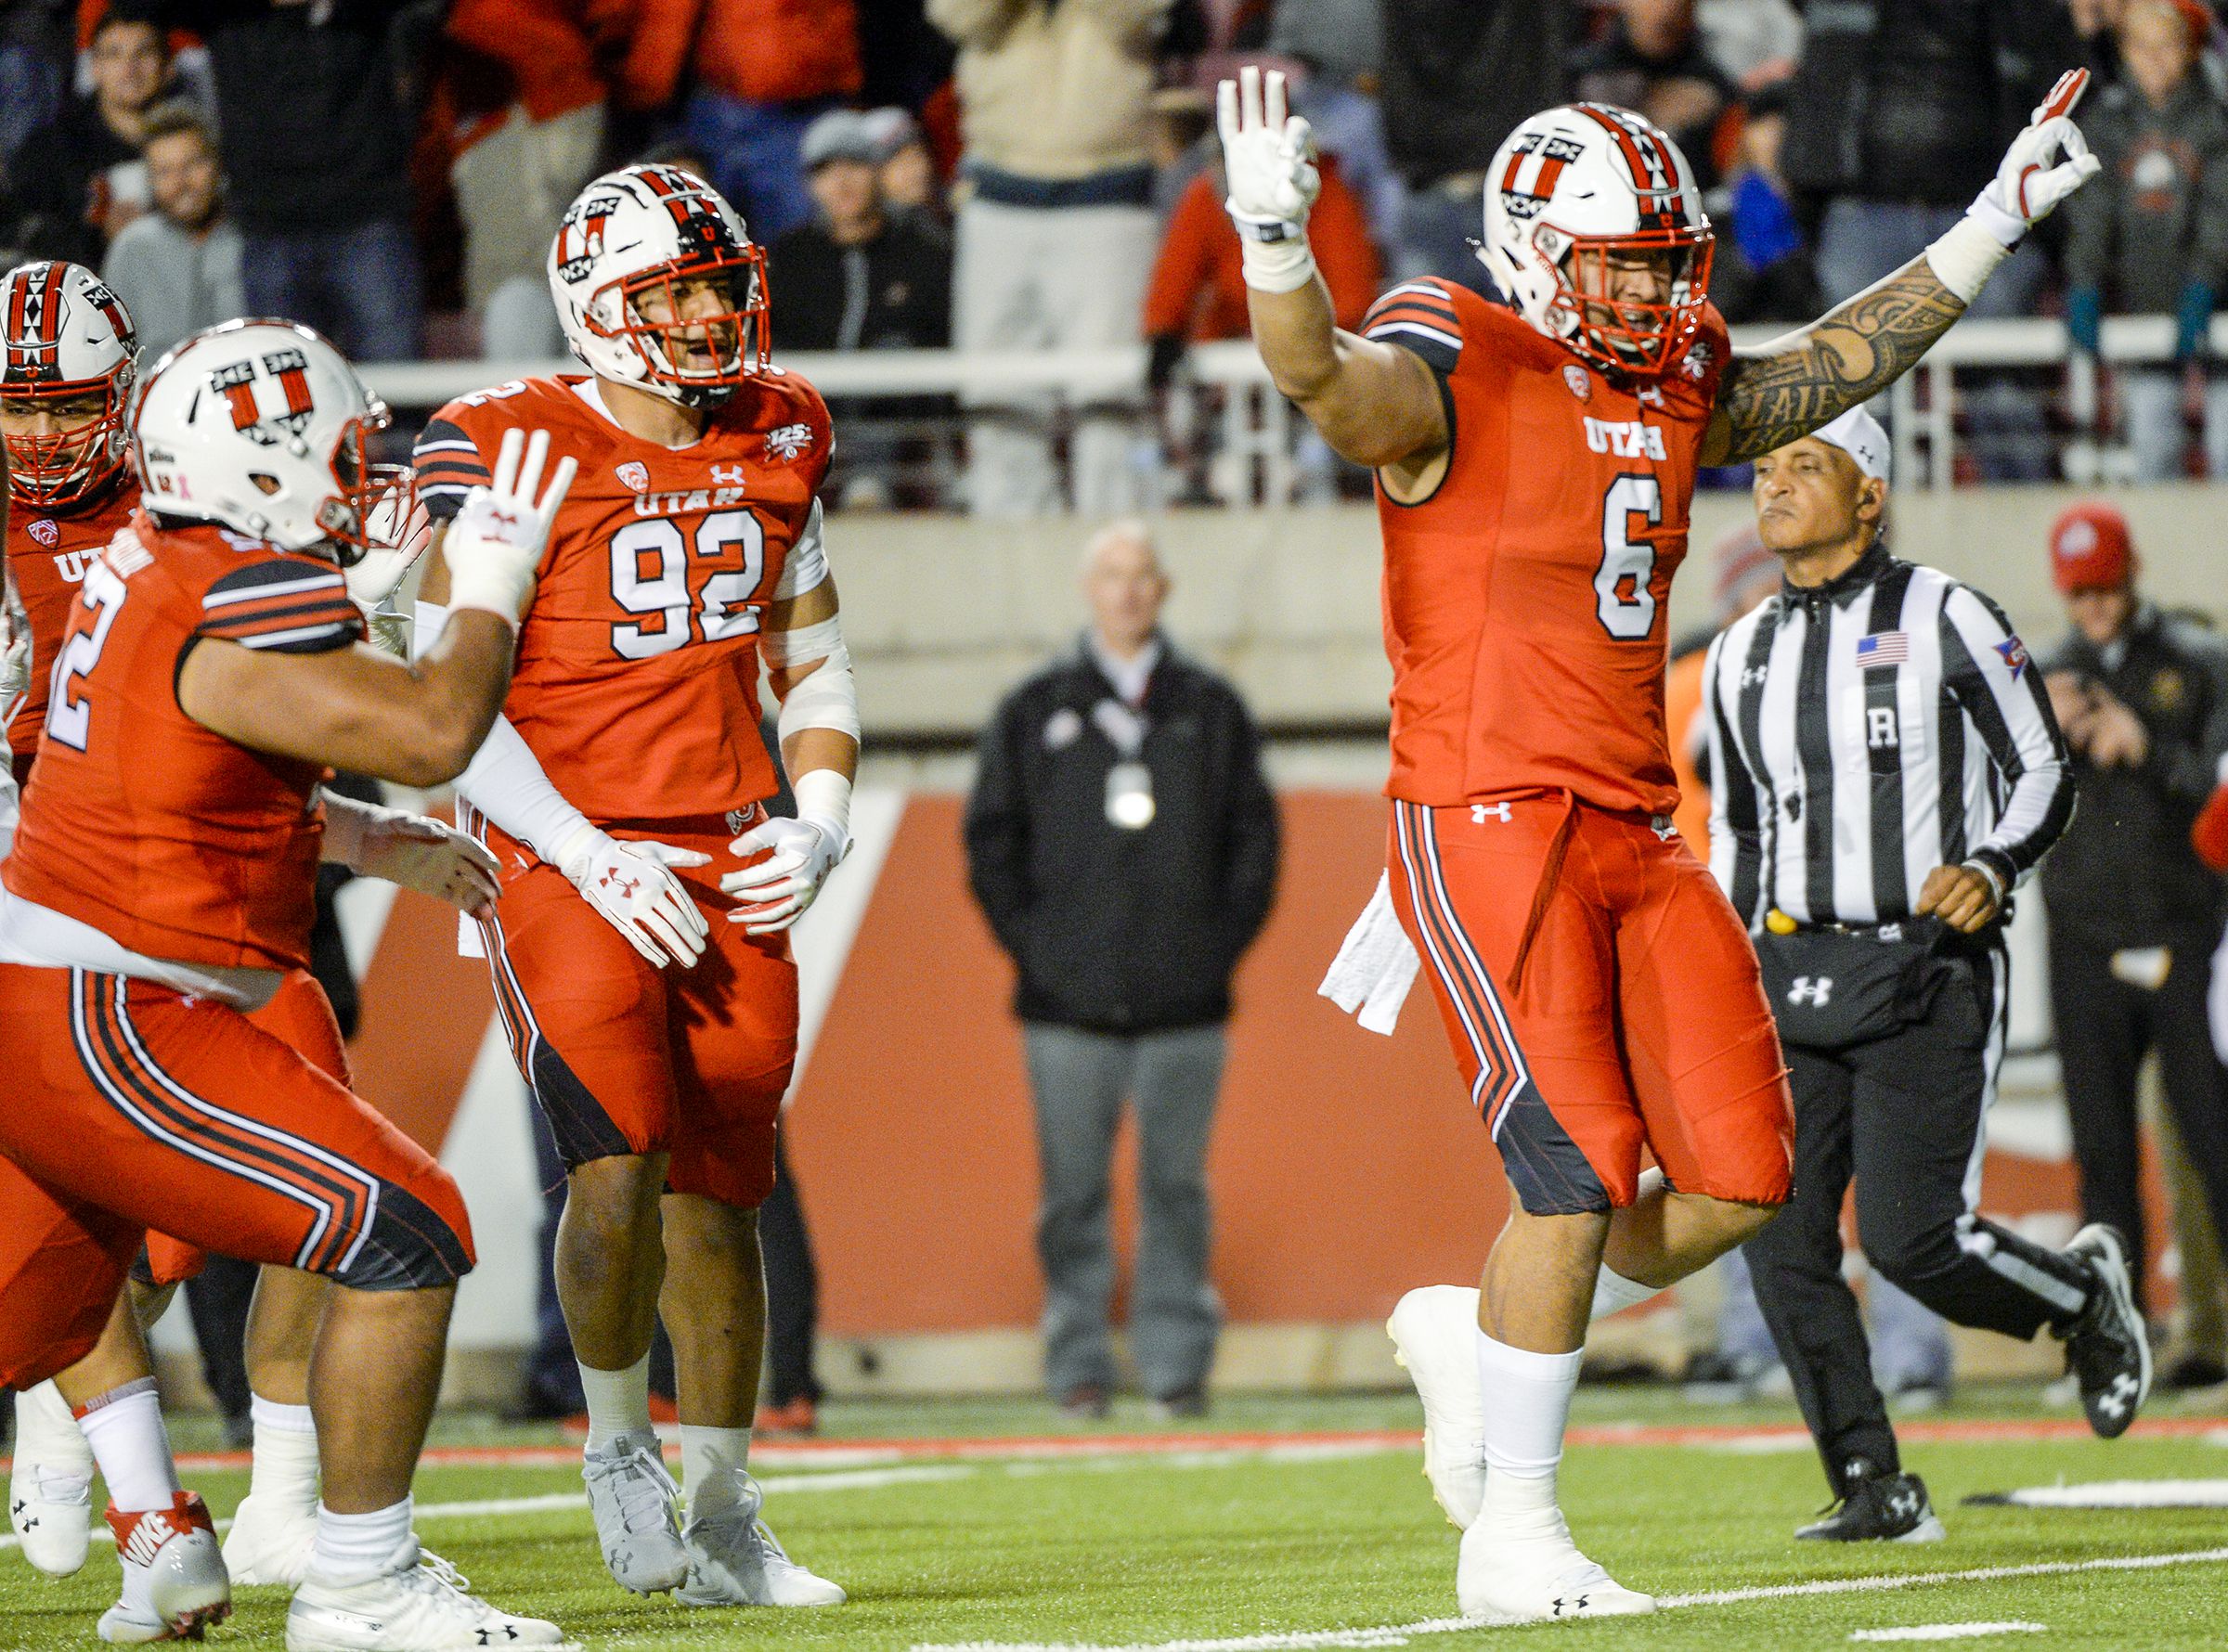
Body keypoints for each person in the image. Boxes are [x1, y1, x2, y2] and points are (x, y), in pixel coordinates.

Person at [1223, 60, 2104, 1620]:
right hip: (1492, 813)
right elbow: (1328, 383)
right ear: (1525, 246)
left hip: (1637, 816)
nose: (1644, 291)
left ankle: (1457, 1326)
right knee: (1576, 1183)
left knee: (1744, 1180)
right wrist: (1276, 247)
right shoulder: (1459, 344)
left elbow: (1818, 373)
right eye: (1613, 263)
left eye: (1658, 262)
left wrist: (1985, 228)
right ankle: (1519, 1535)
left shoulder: (1670, 362)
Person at [0, 314, 572, 1647]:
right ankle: (362, 1584)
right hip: (110, 1011)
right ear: (259, 463)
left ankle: (159, 1547)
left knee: (36, 1317)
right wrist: (491, 578)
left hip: (61, 996)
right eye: (337, 447)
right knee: (403, 1229)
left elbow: (178, 776)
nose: (355, 470)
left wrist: (364, 840)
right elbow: (432, 729)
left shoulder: (155, 561)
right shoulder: (238, 587)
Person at [410, 161, 854, 1611]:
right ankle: (614, 1448)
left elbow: (816, 654)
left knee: (727, 1195)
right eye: (681, 296)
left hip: (731, 848)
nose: (719, 314)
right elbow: (443, 701)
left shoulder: (781, 429)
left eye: (726, 286)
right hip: (564, 849)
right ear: (599, 311)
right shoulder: (507, 439)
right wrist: (588, 852)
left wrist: (828, 815)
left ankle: (727, 1505)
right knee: (615, 1178)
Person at [0, 262, 417, 1600]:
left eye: (69, 405)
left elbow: (274, 708)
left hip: (205, 886)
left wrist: (354, 829)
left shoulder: (188, 494)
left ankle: (269, 1493)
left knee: (235, 1198)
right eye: (18, 407)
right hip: (50, 895)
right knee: (86, 1216)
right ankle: (112, 1467)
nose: (45, 434)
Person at [1706, 407, 2144, 1542]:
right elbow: (1737, 836)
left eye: (1809, 465)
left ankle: (2083, 1299)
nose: (1777, 486)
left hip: (1926, 966)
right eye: (1766, 468)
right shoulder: (1741, 649)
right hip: (1791, 969)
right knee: (1780, 1236)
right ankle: (1872, 1481)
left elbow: (2041, 766)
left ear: (1870, 494)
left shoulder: (1946, 612)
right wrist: (1722, 971)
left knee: (1911, 1242)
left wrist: (1995, 866)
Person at [965, 520, 1279, 1417]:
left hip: (1187, 1006)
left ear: (1164, 589)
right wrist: (1042, 951)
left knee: (1177, 1190)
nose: (1129, 592)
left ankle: (1177, 1369)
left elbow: (1255, 846)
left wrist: (1208, 950)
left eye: (1143, 576)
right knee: (1072, 1196)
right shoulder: (1036, 708)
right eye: (1113, 575)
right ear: (1089, 589)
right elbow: (991, 846)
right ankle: (1078, 1370)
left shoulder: (1209, 709)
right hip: (1063, 1008)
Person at [2040, 500, 2228, 1313]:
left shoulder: (2197, 661)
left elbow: (2221, 792)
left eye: (2105, 588)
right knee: (2102, 1153)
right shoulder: (2044, 672)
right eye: (2080, 593)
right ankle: (2117, 1335)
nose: (2095, 607)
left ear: (2132, 574)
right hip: (2084, 939)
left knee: (2216, 1140)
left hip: (2185, 931)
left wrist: (2146, 744)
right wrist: (2039, 738)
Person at [928, 0, 1170, 516]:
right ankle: (1013, 566)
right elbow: (957, 16)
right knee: (997, 394)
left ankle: (1117, 560)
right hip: (997, 192)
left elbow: (1138, 16)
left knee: (1110, 394)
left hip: (1111, 193)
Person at [114, 0, 423, 362]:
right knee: (286, 398)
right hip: (270, 229)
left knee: (396, 391)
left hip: (367, 219)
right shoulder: (228, 12)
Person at [2062, 0, 2228, 481]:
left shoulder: (2216, 122)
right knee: (2153, 442)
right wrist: (2084, 282)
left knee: (2225, 444)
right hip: (2145, 306)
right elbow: (2092, 211)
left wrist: (2204, 284)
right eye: (2141, 47)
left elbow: (2221, 214)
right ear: (2125, 51)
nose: (2154, 59)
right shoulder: (2107, 123)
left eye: (2167, 46)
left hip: (2215, 308)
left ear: (2191, 50)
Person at [771, 110, 952, 354]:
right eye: (825, 170)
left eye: (854, 164)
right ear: (810, 185)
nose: (841, 183)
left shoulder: (926, 251)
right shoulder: (788, 260)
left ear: (878, 172)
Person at [3, 13, 174, 267]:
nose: (130, 69)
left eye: (144, 53)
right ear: (95, 68)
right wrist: (95, 236)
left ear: (168, 67)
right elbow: (18, 227)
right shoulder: (53, 148)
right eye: (114, 54)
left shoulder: (195, 141)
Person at [98, 101, 243, 363]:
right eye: (165, 172)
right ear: (149, 181)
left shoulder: (254, 240)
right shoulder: (131, 247)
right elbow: (110, 355)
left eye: (193, 164)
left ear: (218, 164)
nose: (181, 183)